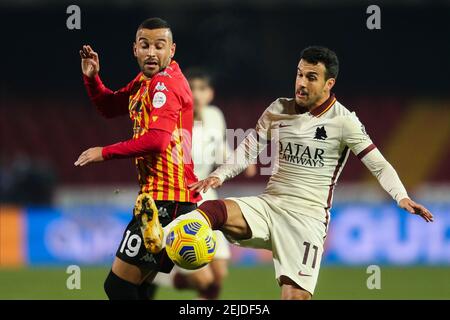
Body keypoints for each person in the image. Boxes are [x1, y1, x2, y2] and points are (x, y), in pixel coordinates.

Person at [157, 46, 434, 300]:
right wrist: (220, 175)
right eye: (299, 74)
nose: (301, 82)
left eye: (311, 77)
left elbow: (378, 164)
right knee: (214, 210)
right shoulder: (279, 109)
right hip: (270, 205)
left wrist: (401, 196)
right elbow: (248, 150)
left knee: (294, 297)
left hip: (307, 219)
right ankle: (161, 238)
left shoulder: (344, 121)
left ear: (329, 83)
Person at [75, 17, 201, 300]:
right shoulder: (146, 81)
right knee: (140, 288)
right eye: (145, 45)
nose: (152, 52)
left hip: (167, 200)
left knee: (118, 286)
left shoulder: (164, 85)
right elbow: (110, 106)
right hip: (167, 198)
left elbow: (157, 141)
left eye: (160, 46)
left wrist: (103, 153)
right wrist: (92, 78)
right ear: (135, 49)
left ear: (172, 50)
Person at [152, 68, 256, 299]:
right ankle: (162, 273)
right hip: (181, 202)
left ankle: (165, 276)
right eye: (192, 88)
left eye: (202, 88)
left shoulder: (215, 115)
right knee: (204, 279)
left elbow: (217, 146)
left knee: (219, 274)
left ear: (210, 93)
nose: (196, 94)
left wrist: (237, 162)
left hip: (207, 198)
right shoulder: (174, 120)